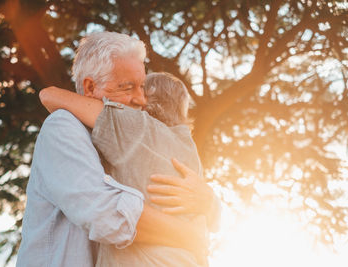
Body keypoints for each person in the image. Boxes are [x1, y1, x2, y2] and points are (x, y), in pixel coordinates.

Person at [16, 32, 219, 267]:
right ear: (90, 87)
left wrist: (208, 200)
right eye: (128, 88)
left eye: (142, 87)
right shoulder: (62, 127)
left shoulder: (131, 137)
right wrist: (189, 235)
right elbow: (106, 215)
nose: (141, 99)